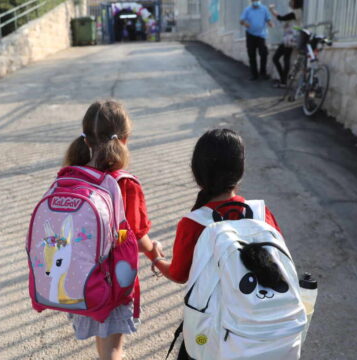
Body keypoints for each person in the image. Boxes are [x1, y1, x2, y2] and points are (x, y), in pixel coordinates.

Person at [63, 100, 164, 360]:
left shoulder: (73, 177)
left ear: (86, 140)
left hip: (80, 279)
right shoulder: (124, 184)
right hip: (112, 282)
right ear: (125, 139)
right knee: (114, 350)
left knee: (103, 341)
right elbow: (138, 239)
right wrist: (157, 255)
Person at [153, 128, 283, 284]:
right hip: (264, 307)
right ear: (240, 170)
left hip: (219, 309)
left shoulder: (193, 223)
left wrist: (157, 259)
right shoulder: (261, 213)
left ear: (197, 172)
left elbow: (179, 275)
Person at [270, 0, 304, 88]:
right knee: (282, 58)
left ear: (295, 1)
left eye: (292, 0)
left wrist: (272, 10)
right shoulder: (297, 12)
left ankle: (283, 81)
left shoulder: (296, 12)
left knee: (280, 58)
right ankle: (283, 80)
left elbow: (281, 18)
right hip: (289, 39)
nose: (290, 2)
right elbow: (288, 21)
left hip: (290, 39)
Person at [240, 0, 273, 80]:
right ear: (251, 0)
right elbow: (241, 20)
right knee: (252, 54)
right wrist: (245, 23)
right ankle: (254, 75)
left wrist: (270, 23)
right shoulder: (247, 10)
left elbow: (268, 18)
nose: (256, 1)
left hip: (261, 35)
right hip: (250, 34)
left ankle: (263, 72)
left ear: (260, 0)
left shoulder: (264, 9)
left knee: (264, 53)